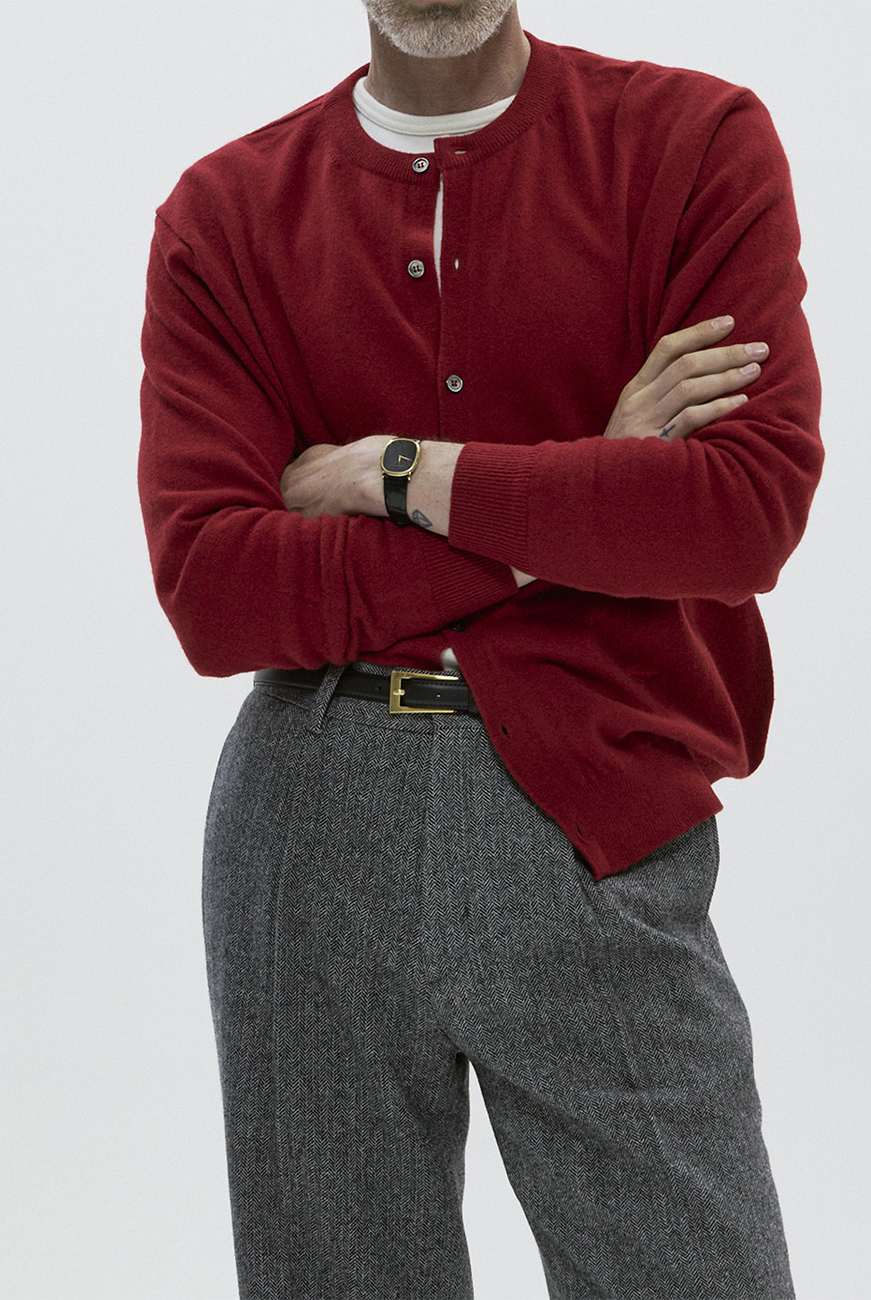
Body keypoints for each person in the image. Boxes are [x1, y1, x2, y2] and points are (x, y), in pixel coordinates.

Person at [138, 2, 822, 1296]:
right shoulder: (223, 215)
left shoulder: (691, 143)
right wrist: (582, 494)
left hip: (595, 814)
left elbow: (739, 511)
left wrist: (397, 472)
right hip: (311, 820)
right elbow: (214, 592)